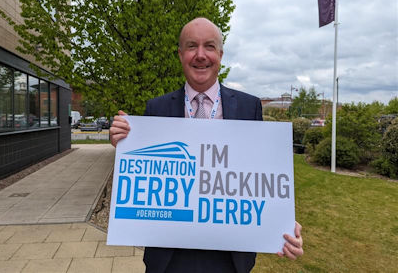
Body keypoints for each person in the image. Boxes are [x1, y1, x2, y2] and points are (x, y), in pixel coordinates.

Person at [110, 17, 304, 273]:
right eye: (192, 46)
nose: (200, 55)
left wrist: (280, 223)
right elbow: (145, 173)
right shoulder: (155, 109)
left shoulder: (249, 106)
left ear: (220, 55)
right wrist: (124, 141)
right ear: (180, 55)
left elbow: (259, 177)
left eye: (209, 46)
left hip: (230, 259)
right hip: (169, 257)